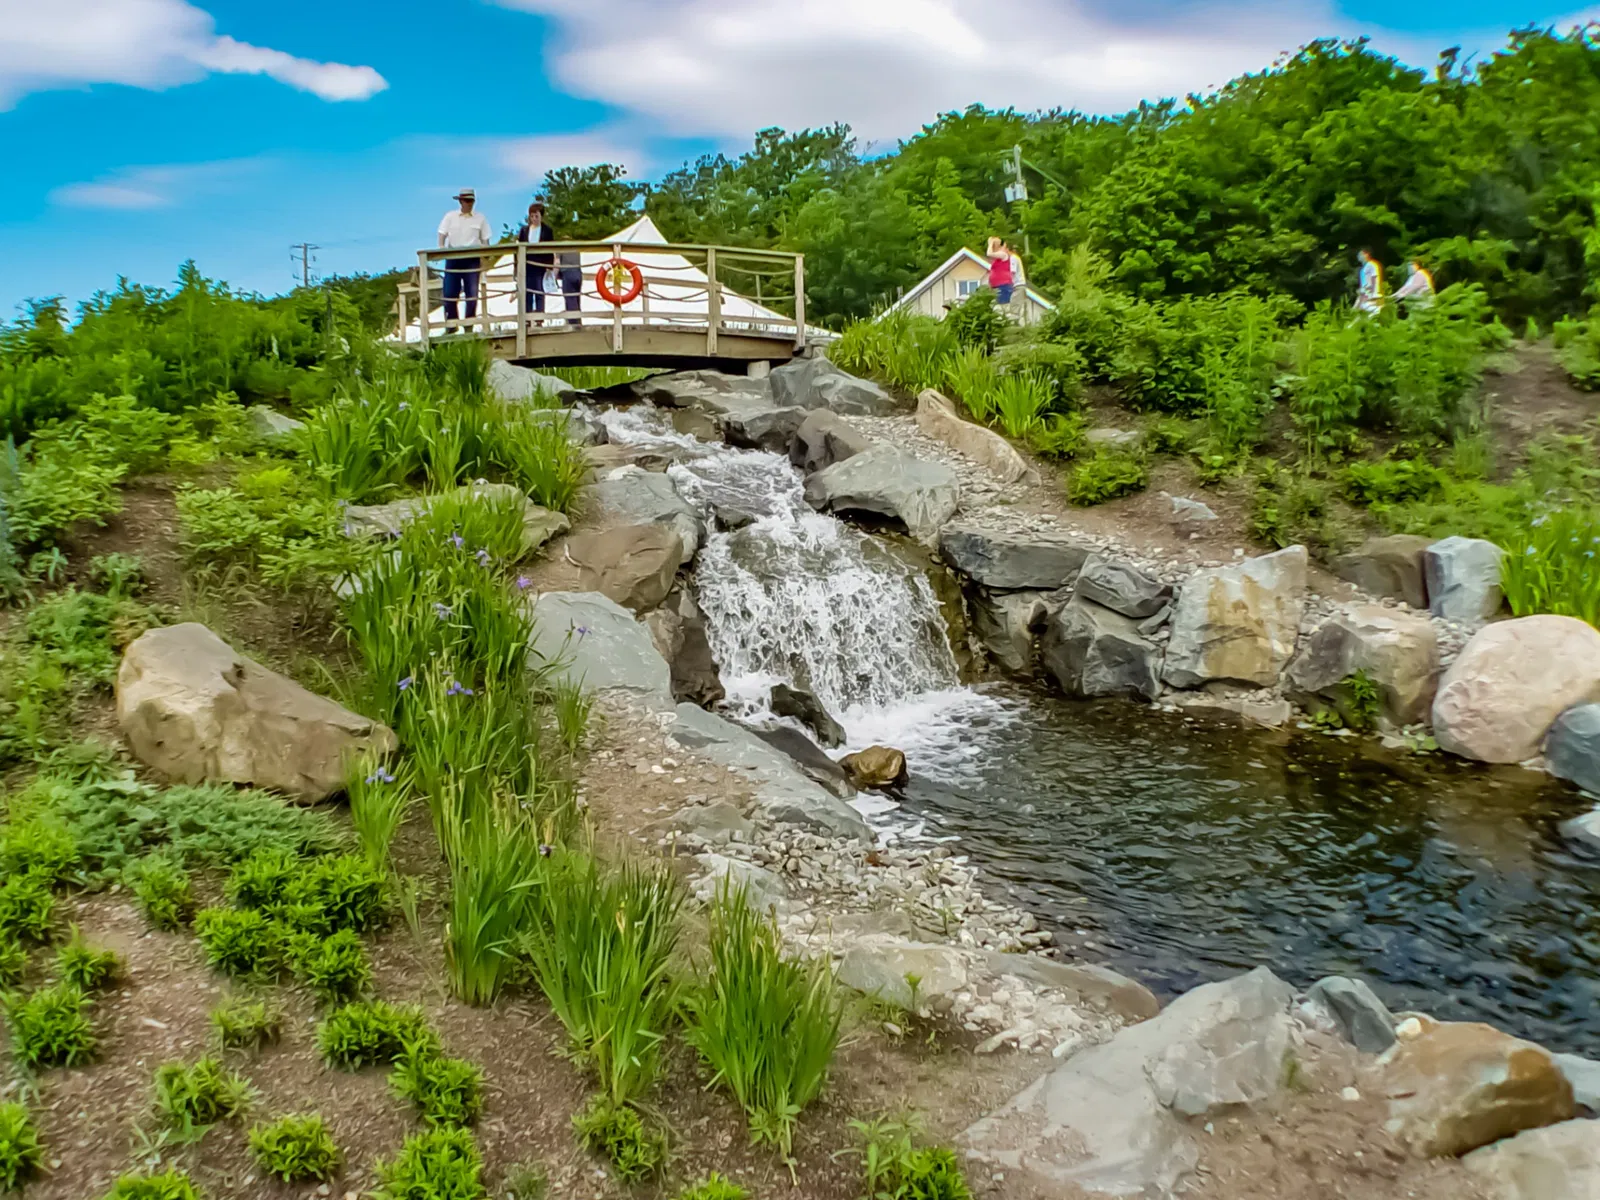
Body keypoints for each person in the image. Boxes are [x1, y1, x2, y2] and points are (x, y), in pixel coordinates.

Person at [436, 188, 492, 326]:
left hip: (472, 258)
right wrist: (441, 249)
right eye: (466, 200)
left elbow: (485, 240)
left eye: (471, 200)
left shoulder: (480, 218)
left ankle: (469, 324)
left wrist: (485, 256)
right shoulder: (450, 216)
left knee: (472, 294)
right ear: (460, 201)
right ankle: (452, 323)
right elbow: (442, 233)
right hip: (453, 257)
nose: (469, 203)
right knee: (449, 293)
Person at [516, 200, 556, 322]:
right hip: (527, 265)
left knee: (539, 291)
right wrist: (517, 266)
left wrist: (549, 265)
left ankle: (539, 319)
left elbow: (550, 248)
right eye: (532, 216)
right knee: (527, 292)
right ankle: (527, 319)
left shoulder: (547, 230)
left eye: (536, 216)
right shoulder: (524, 230)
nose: (534, 219)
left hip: (540, 264)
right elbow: (518, 249)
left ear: (541, 216)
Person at [986, 236, 1016, 306]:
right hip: (997, 286)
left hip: (1003, 286)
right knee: (997, 308)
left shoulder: (1003, 254)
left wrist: (991, 243)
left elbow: (989, 253)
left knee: (1002, 308)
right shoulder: (997, 258)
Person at [1354, 249, 1384, 316]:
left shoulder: (1371, 265)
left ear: (1366, 254)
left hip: (1372, 294)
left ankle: (1378, 310)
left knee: (1362, 310)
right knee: (1357, 311)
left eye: (1360, 254)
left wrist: (1366, 291)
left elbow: (1373, 280)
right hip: (1365, 293)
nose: (1358, 256)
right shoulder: (1363, 269)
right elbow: (1365, 283)